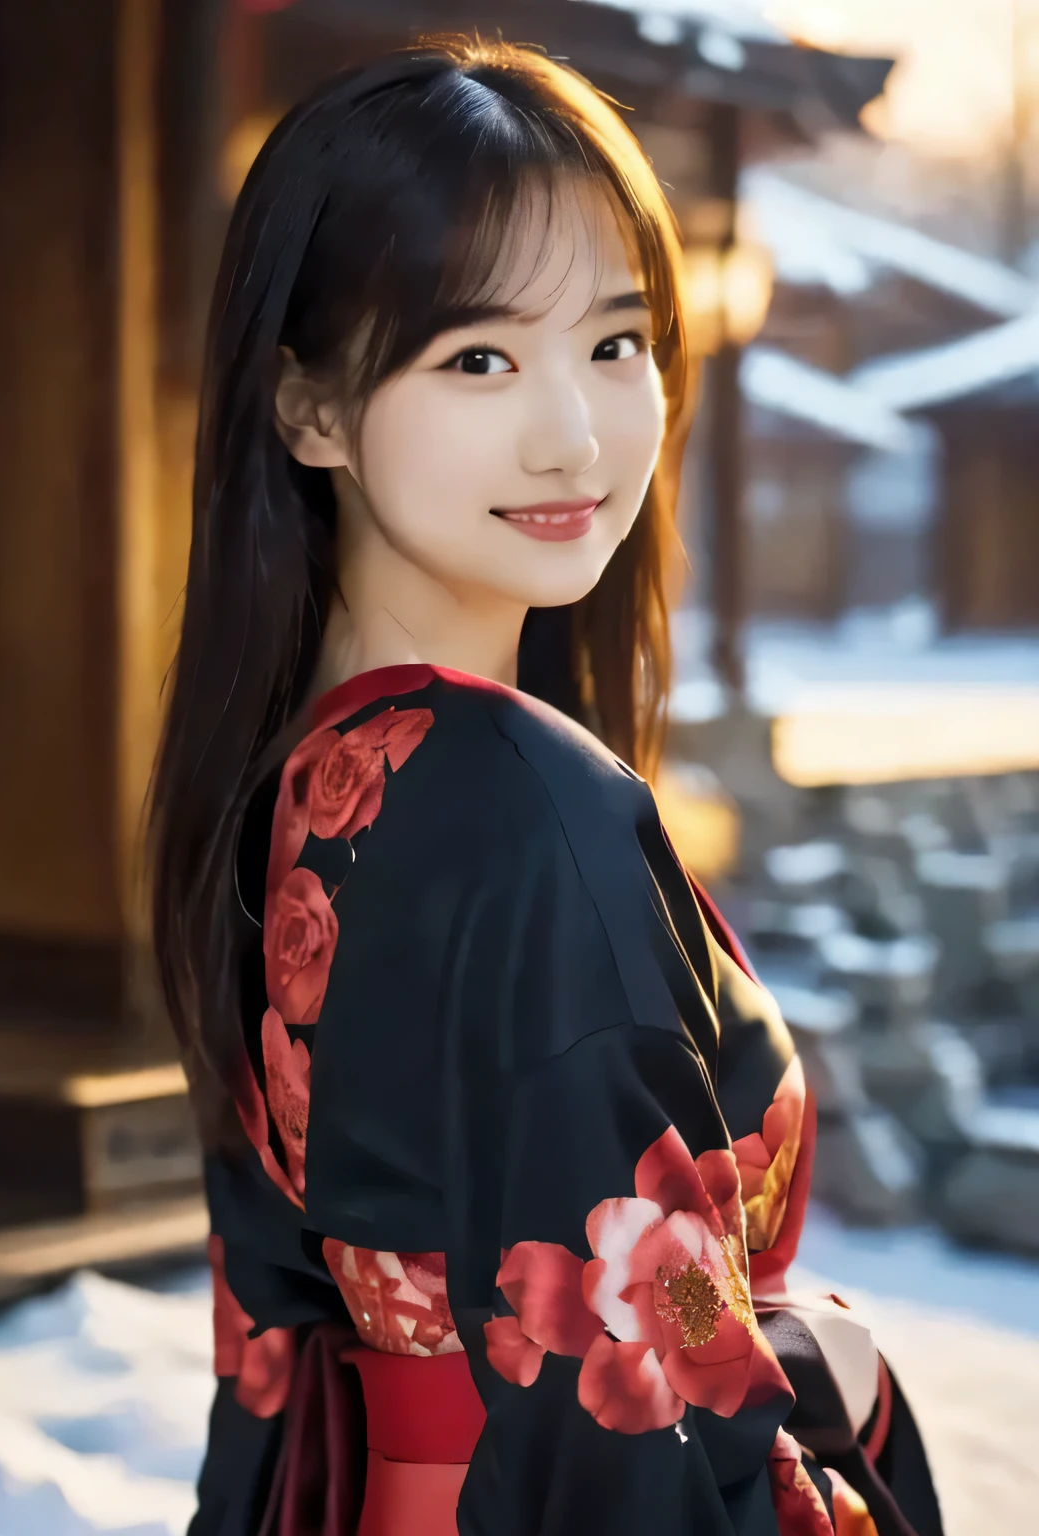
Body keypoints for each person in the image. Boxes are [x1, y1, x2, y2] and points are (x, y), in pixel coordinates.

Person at [148, 36, 944, 1536]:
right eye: (478, 358)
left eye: (618, 342)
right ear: (308, 409)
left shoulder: (285, 784)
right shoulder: (524, 811)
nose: (575, 433)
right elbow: (631, 1437)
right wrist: (830, 1385)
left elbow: (271, 1360)